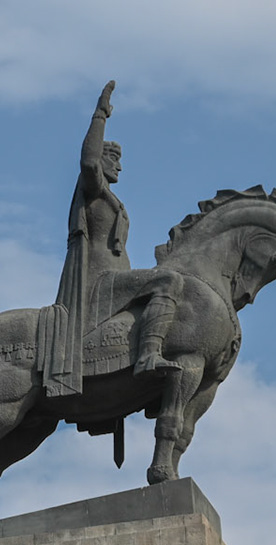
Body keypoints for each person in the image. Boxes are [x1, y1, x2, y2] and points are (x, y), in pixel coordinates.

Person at [40, 81, 184, 398]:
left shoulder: (112, 198)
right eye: (113, 158)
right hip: (98, 280)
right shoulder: (93, 189)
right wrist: (100, 115)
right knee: (168, 281)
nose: (119, 165)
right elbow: (89, 162)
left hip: (116, 275)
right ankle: (148, 355)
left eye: (119, 159)